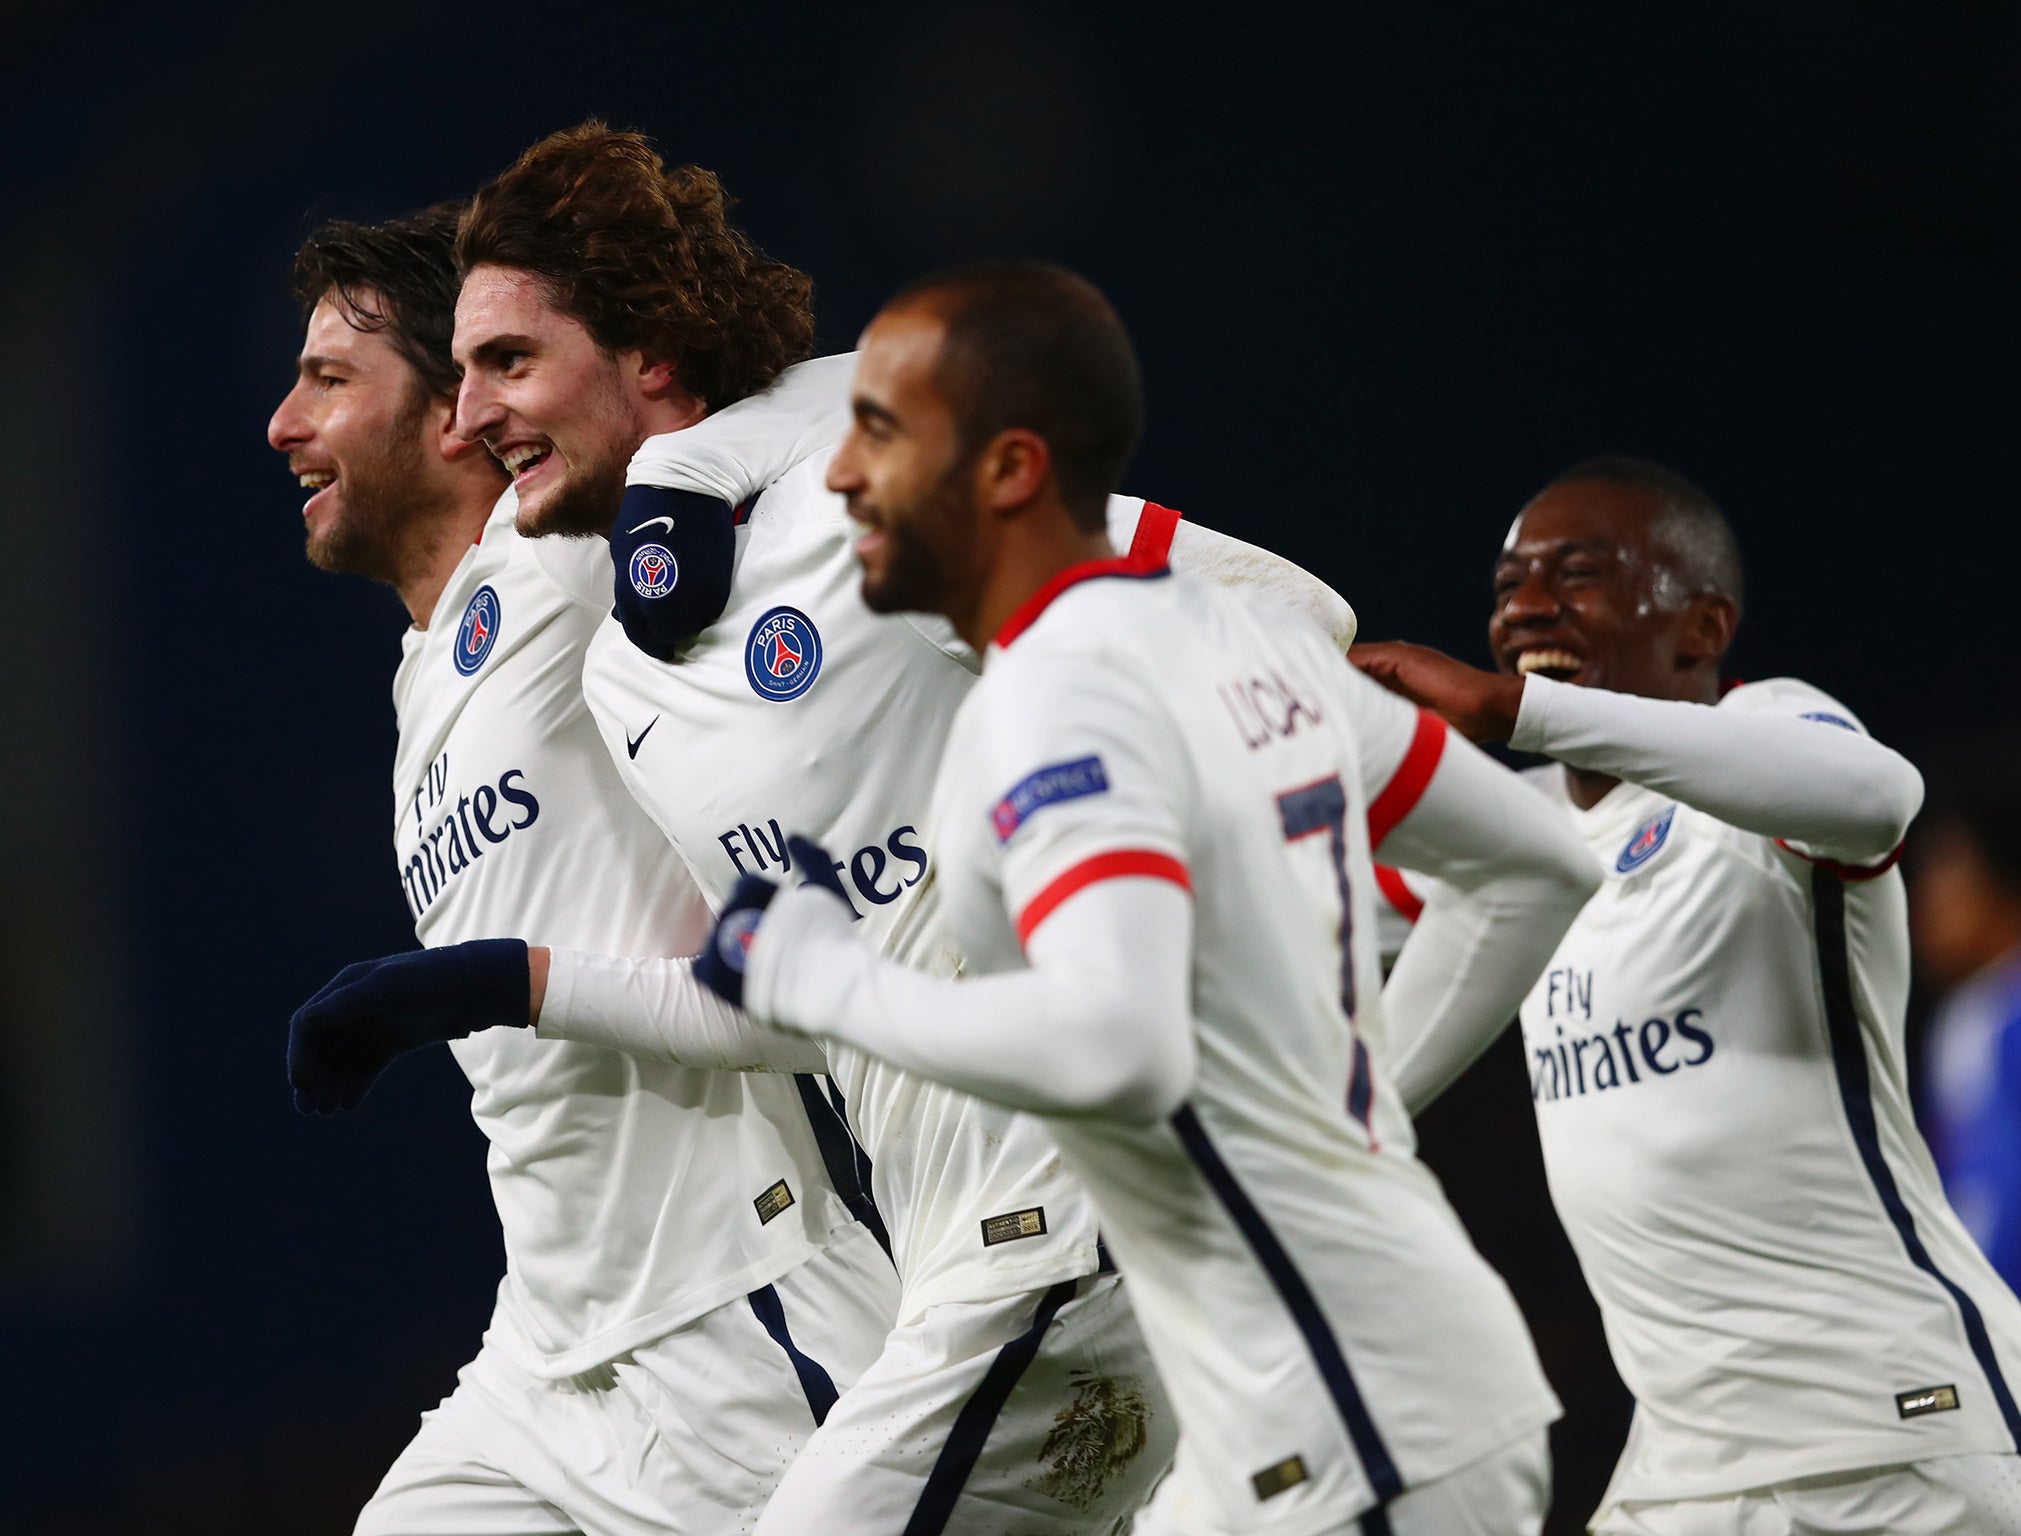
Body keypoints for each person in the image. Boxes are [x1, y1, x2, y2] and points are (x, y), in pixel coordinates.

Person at [291, 122, 1355, 1535]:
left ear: (647, 355)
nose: (481, 413)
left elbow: (1300, 623)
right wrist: (492, 985)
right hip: (835, 1270)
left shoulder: (834, 510)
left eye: (506, 365)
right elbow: (776, 997)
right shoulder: (622, 676)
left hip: (941, 1245)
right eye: (471, 367)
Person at [691, 261, 1602, 1535]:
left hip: (1338, 1435)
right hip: (1366, 1404)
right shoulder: (1231, 641)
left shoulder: (1056, 696)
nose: (839, 480)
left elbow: (1114, 1042)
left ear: (1008, 469)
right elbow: (1535, 863)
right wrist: (1359, 1112)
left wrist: (819, 979)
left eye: (880, 437)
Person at [270, 206, 896, 1536]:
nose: (284, 423)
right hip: (545, 1359)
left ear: (454, 411)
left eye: (329, 380)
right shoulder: (424, 670)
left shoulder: (563, 556)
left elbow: (861, 387)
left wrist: (688, 477)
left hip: (738, 1320)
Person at [1351, 458, 2021, 1533]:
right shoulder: (1515, 848)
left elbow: (1877, 796)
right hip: (1682, 1468)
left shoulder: (1771, 736)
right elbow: (1297, 893)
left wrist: (1515, 708)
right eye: (1505, 586)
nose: (1526, 605)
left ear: (1701, 626)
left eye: (1576, 574)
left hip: (1895, 1439)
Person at [1912, 740, 2021, 1338]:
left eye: (1945, 869)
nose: (1922, 899)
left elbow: (1999, 1212)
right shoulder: (1973, 1013)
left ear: (2006, 877)